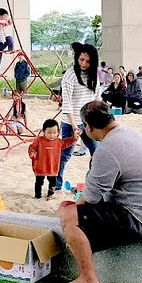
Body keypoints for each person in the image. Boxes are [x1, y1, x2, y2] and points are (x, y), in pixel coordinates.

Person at [56, 101, 142, 283]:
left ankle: (89, 279)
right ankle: (83, 245)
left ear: (88, 128)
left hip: (139, 218)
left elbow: (89, 198)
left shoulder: (106, 150)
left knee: (68, 215)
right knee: (72, 218)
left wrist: (70, 215)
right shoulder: (129, 134)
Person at [56, 43, 101, 189]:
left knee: (98, 153)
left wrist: (95, 121)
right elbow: (67, 104)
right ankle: (56, 185)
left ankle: (94, 184)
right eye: (81, 59)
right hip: (70, 122)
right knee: (65, 155)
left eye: (87, 61)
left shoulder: (94, 75)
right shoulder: (69, 75)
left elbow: (97, 99)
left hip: (88, 121)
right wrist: (75, 126)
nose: (83, 63)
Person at [29, 119, 77, 199]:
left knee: (53, 182)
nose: (52, 135)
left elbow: (66, 143)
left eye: (54, 133)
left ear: (58, 132)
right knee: (39, 182)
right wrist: (32, 153)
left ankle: (50, 194)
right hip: (41, 166)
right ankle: (37, 196)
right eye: (49, 133)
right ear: (43, 132)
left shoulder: (59, 142)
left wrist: (74, 138)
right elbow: (32, 148)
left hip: (53, 167)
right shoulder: (39, 140)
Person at [0, 8, 14, 73]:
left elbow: (9, 22)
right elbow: (1, 22)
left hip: (3, 42)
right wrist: (5, 21)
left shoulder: (3, 22)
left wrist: (9, 21)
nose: (6, 19)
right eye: (5, 17)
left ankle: (11, 49)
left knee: (9, 38)